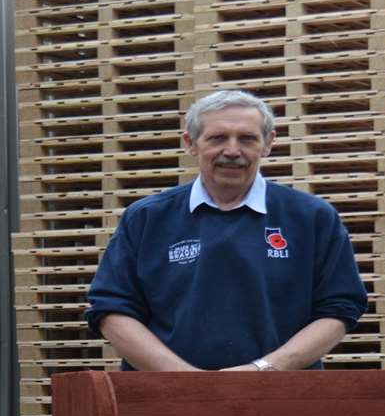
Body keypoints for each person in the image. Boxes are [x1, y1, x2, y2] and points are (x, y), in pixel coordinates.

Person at [84, 89, 368, 371]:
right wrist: (183, 380)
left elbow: (339, 308)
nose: (232, 151)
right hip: (164, 403)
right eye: (218, 138)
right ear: (191, 143)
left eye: (247, 138)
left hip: (282, 401)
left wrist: (264, 370)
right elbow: (111, 308)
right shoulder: (147, 218)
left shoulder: (312, 218)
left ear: (268, 143)